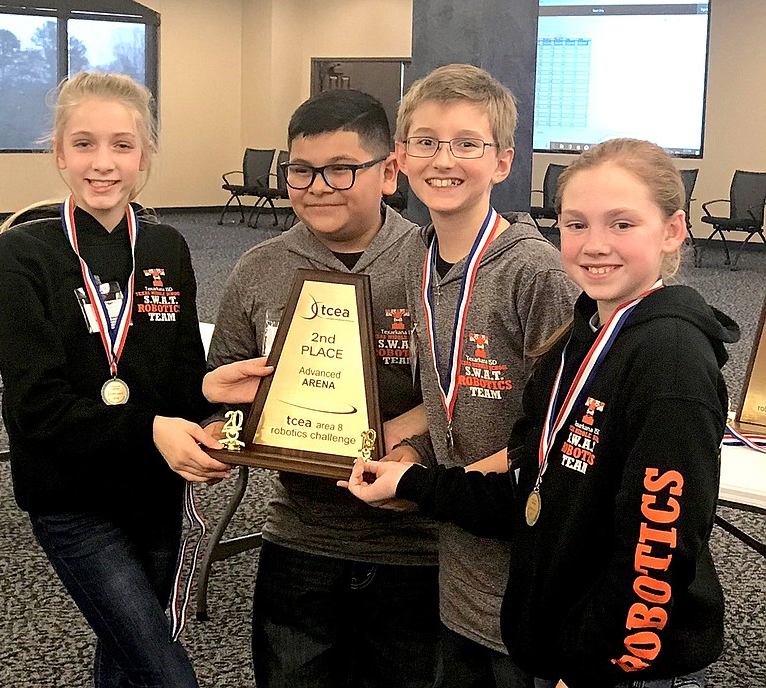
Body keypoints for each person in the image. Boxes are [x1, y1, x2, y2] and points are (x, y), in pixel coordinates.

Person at [342, 138, 739, 688]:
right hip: (556, 642)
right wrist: (412, 483)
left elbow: (658, 549)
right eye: (576, 225)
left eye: (622, 224)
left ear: (673, 230)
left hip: (611, 661)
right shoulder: (579, 338)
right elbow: (530, 489)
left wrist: (593, 668)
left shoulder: (669, 362)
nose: (595, 245)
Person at [0, 71, 271, 688]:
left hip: (155, 493)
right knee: (165, 672)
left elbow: (176, 377)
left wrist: (209, 397)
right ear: (59, 153)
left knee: (124, 660)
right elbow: (37, 407)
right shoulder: (20, 255)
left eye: (122, 145)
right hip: (72, 499)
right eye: (83, 144)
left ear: (144, 155)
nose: (103, 163)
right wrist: (156, 429)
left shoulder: (167, 246)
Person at [205, 89, 440, 687]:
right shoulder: (260, 268)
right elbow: (222, 382)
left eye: (340, 169)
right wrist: (219, 428)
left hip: (418, 547)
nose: (316, 187)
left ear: (389, 172)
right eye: (301, 171)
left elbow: (479, 400)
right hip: (301, 540)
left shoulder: (435, 265)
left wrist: (410, 451)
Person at [382, 64, 578, 687]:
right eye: (427, 142)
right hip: (461, 563)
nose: (445, 159)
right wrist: (388, 438)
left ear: (502, 162)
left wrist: (430, 483)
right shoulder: (417, 256)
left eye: (468, 143)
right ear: (402, 157)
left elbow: (561, 429)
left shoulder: (536, 274)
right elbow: (450, 394)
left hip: (530, 568)